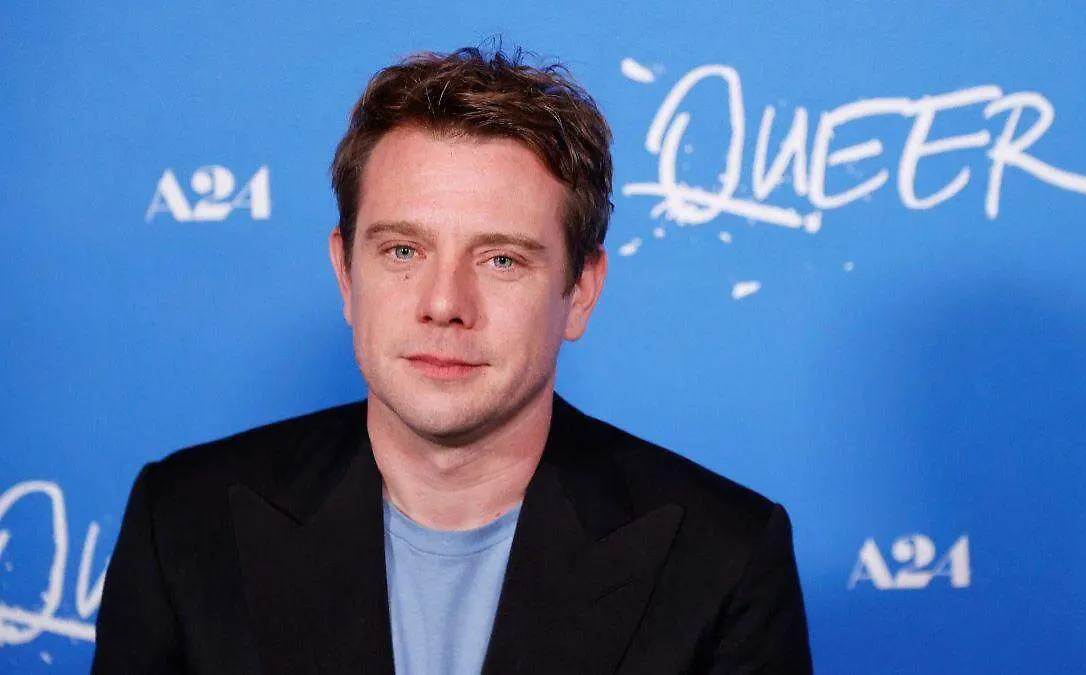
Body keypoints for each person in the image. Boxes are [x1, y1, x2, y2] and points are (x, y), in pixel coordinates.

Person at [92, 47, 813, 674]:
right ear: (346, 274)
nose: (444, 304)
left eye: (501, 259)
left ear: (581, 291)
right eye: (403, 250)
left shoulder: (725, 561)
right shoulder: (181, 526)